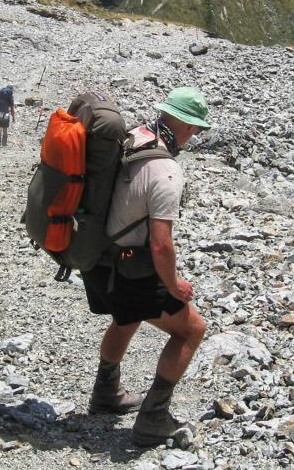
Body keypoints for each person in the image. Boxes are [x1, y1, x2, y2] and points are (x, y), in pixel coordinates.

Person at [81, 87, 211, 446]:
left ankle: (105, 394)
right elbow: (160, 244)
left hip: (97, 259)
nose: (195, 134)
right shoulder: (167, 171)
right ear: (187, 125)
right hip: (129, 269)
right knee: (191, 330)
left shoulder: (134, 136)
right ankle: (153, 418)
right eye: (196, 128)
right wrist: (173, 284)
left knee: (127, 317)